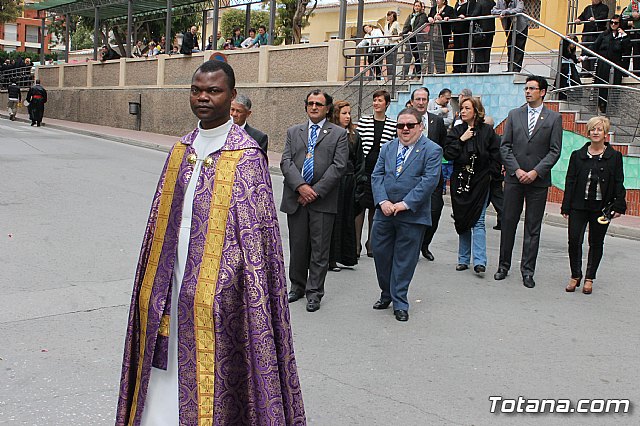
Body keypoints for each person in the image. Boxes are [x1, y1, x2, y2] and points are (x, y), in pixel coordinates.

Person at [115, 60, 305, 425]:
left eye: (213, 91)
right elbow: (161, 225)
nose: (203, 97)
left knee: (218, 369)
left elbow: (256, 241)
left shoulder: (247, 156)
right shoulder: (179, 151)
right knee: (165, 362)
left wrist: (224, 287)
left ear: (232, 96)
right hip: (170, 279)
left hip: (222, 290)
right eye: (196, 90)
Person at [370, 107, 442, 322]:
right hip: (384, 213)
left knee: (404, 259)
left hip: (412, 215)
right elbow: (377, 175)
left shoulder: (432, 150)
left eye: (410, 125)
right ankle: (386, 293)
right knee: (381, 255)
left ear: (420, 127)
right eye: (401, 125)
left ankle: (400, 300)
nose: (405, 129)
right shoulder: (388, 148)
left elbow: (429, 181)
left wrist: (404, 204)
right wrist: (383, 201)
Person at [280, 89, 348, 312]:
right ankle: (297, 287)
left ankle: (314, 292)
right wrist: (300, 187)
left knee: (319, 249)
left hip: (322, 200)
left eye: (319, 104)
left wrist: (314, 191)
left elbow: (339, 167)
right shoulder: (293, 131)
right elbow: (286, 162)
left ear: (327, 108)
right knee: (298, 246)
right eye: (310, 103)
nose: (314, 107)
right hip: (297, 199)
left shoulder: (338, 134)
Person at [495, 75, 563, 288]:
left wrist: (535, 172)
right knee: (508, 222)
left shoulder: (553, 118)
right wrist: (516, 170)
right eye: (526, 88)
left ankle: (527, 270)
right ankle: (503, 266)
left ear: (542, 92)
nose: (527, 91)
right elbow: (505, 147)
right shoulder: (514, 115)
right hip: (515, 179)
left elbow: (554, 151)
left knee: (533, 227)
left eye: (532, 88)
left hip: (538, 181)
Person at [561, 116, 626, 295]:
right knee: (574, 240)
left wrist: (618, 206)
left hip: (601, 208)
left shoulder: (614, 157)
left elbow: (619, 181)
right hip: (578, 206)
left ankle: (589, 278)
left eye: (599, 129)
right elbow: (570, 181)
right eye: (592, 129)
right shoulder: (577, 155)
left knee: (596, 242)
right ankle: (575, 275)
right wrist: (566, 206)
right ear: (588, 132)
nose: (595, 132)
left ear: (605, 134)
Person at [444, 97, 501, 273]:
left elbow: (495, 156)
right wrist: (462, 139)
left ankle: (479, 261)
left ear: (476, 111)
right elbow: (448, 154)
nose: (463, 111)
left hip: (481, 182)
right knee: (462, 219)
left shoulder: (487, 131)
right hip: (460, 182)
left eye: (467, 108)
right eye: (461, 108)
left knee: (479, 221)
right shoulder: (456, 131)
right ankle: (463, 259)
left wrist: (490, 177)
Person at [355, 90, 397, 258]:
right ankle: (356, 244)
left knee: (375, 207)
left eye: (380, 100)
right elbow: (358, 143)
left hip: (380, 172)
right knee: (359, 207)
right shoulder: (364, 121)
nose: (376, 103)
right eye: (374, 100)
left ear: (387, 104)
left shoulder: (392, 125)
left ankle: (371, 243)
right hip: (363, 169)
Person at [409, 87, 447, 261]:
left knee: (435, 210)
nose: (421, 102)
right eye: (418, 99)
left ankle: (425, 244)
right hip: (411, 175)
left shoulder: (437, 121)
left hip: (433, 175)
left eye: (424, 99)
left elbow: (443, 146)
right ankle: (412, 246)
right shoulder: (405, 120)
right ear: (412, 101)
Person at [328, 100, 365, 271]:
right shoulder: (329, 134)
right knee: (333, 220)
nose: (348, 116)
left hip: (349, 182)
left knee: (346, 219)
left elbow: (359, 162)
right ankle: (330, 258)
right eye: (344, 113)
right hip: (334, 182)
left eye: (349, 113)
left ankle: (346, 256)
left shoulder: (354, 135)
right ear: (336, 115)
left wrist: (358, 182)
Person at [592, 15, 631, 112]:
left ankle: (613, 105)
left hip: (616, 63)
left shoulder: (622, 36)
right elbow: (594, 46)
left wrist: (624, 37)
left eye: (616, 23)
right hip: (604, 62)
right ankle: (602, 103)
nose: (613, 25)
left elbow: (627, 50)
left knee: (615, 84)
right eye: (612, 22)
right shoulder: (604, 34)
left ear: (619, 24)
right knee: (602, 83)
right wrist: (584, 56)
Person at [574, 0, 610, 73]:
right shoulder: (588, 8)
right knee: (584, 52)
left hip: (596, 34)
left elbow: (603, 17)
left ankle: (593, 71)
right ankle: (585, 71)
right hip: (586, 33)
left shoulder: (604, 7)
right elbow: (582, 16)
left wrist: (595, 19)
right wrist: (578, 20)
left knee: (594, 52)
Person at [492, 0, 528, 72]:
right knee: (510, 48)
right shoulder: (500, 1)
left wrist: (507, 12)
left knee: (519, 48)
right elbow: (493, 11)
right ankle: (510, 68)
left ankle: (516, 69)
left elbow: (519, 9)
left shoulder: (518, 0)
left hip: (520, 27)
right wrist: (502, 12)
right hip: (508, 27)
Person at [428, 0, 457, 74]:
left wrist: (443, 18)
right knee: (435, 53)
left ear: (444, 1)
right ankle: (438, 69)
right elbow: (429, 16)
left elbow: (452, 18)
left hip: (444, 33)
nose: (437, 1)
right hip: (434, 35)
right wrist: (430, 18)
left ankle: (442, 70)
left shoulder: (449, 9)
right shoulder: (433, 9)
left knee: (443, 52)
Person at [402, 1, 429, 78]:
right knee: (408, 57)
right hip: (411, 38)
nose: (417, 7)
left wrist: (413, 32)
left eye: (418, 6)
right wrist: (403, 33)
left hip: (419, 38)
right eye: (415, 6)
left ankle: (418, 74)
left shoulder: (423, 16)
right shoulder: (411, 16)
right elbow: (407, 25)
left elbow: (420, 25)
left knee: (418, 57)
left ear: (421, 7)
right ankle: (405, 75)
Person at [452, 0, 479, 73]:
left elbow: (472, 14)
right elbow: (454, 13)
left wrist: (465, 17)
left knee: (464, 48)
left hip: (465, 29)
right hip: (457, 30)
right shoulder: (457, 3)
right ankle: (456, 67)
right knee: (457, 49)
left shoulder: (470, 3)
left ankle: (464, 67)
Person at [556, 35, 582, 100]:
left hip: (570, 66)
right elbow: (567, 55)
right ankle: (563, 96)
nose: (574, 45)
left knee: (574, 81)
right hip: (565, 66)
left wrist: (576, 60)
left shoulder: (570, 49)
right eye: (572, 43)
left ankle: (574, 97)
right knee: (564, 81)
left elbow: (572, 57)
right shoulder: (565, 47)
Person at [473, 0, 496, 73]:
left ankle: (481, 69)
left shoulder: (480, 3)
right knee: (487, 50)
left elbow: (474, 15)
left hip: (481, 31)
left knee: (478, 50)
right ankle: (486, 69)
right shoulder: (492, 2)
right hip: (490, 30)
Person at [622, 0, 640, 76]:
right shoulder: (633, 3)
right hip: (636, 32)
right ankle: (636, 74)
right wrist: (632, 14)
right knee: (636, 53)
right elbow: (624, 14)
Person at [383, 10, 402, 78]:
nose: (390, 17)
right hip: (387, 45)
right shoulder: (386, 26)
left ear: (394, 17)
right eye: (389, 16)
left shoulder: (396, 24)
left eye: (391, 16)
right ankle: (389, 76)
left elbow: (400, 35)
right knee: (388, 61)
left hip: (393, 44)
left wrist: (392, 38)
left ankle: (392, 76)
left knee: (393, 61)